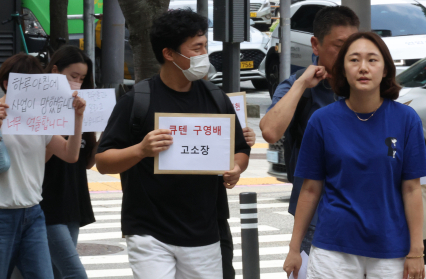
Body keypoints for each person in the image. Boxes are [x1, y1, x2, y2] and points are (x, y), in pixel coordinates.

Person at [95, 9, 251, 278]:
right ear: (169, 54)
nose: (205, 54)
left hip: (203, 231)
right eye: (196, 47)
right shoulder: (137, 100)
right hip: (149, 232)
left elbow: (240, 149)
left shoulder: (216, 99)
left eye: (205, 45)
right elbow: (103, 162)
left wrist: (236, 168)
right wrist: (141, 150)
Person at [283, 31, 426, 279]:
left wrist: (416, 252)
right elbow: (310, 189)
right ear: (342, 70)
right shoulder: (322, 121)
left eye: (372, 60)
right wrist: (294, 248)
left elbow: (413, 189)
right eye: (354, 60)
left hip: (391, 249)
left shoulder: (406, 119)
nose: (363, 68)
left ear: (385, 70)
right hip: (333, 250)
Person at [0, 53, 86, 279]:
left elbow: (70, 155)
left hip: (33, 213)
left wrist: (78, 118)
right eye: (26, 84)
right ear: (7, 83)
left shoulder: (40, 115)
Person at [259, 6, 360, 255]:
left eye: (353, 45)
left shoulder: (367, 87)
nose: (349, 54)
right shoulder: (298, 87)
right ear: (316, 45)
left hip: (365, 219)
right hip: (316, 219)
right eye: (340, 45)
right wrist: (303, 82)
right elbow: (270, 131)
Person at [40, 45, 97, 279]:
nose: (78, 83)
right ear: (55, 71)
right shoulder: (39, 106)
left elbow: (86, 162)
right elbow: (38, 159)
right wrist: (61, 127)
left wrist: (98, 126)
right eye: (73, 76)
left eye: (82, 78)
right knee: (74, 272)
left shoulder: (81, 107)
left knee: (55, 272)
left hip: (72, 198)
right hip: (46, 201)